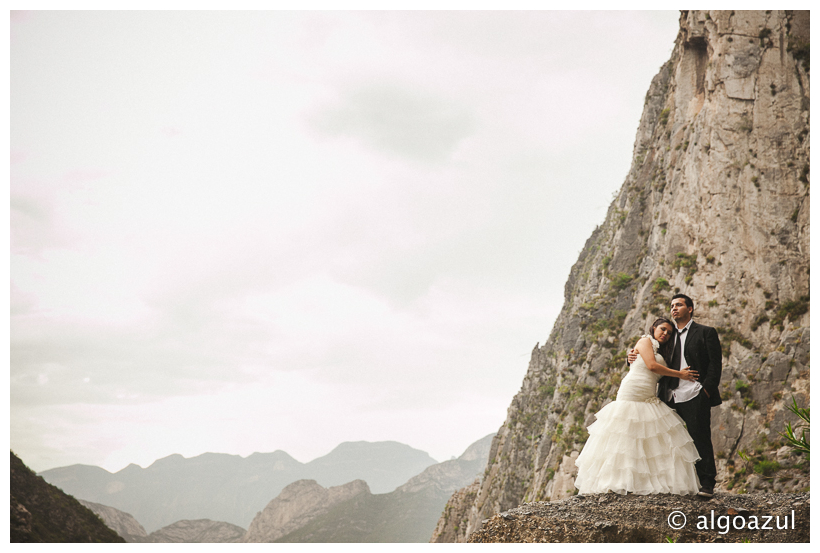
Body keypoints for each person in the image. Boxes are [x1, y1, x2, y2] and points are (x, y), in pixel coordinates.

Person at [574, 317, 701, 496]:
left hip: (648, 393)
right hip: (632, 390)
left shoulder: (666, 351)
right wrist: (680, 374)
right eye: (662, 329)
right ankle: (618, 480)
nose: (665, 334)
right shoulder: (645, 340)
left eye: (669, 333)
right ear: (654, 328)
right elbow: (651, 366)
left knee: (649, 434)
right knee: (625, 431)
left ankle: (645, 480)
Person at [628, 294, 722, 498]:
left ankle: (706, 483)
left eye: (679, 305)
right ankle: (674, 482)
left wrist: (705, 390)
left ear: (690, 308)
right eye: (671, 305)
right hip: (668, 395)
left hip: (694, 394)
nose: (674, 308)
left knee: (700, 437)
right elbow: (649, 359)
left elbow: (716, 365)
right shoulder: (666, 338)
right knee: (668, 440)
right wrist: (631, 356)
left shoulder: (706, 333)